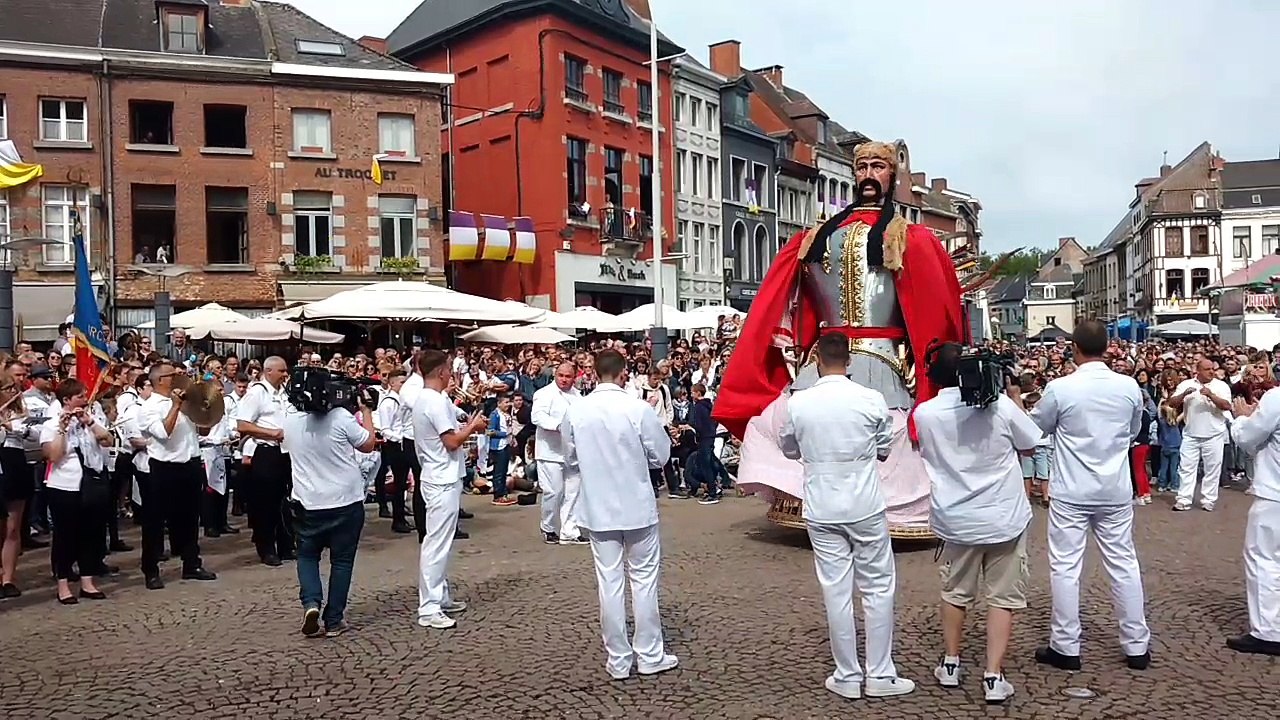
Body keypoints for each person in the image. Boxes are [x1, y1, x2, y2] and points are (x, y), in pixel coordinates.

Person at [713, 139, 966, 537]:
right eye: (862, 167)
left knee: (891, 429)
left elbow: (934, 306)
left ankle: (883, 510)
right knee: (775, 422)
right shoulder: (815, 238)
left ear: (891, 175)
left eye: (877, 167)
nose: (868, 175)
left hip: (884, 357)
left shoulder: (907, 238)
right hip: (824, 356)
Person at [778, 334, 915, 700]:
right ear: (849, 362)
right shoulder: (871, 399)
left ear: (817, 359)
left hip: (822, 501)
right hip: (863, 501)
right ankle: (880, 673)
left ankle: (847, 673)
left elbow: (788, 447)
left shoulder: (800, 402)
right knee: (877, 586)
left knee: (835, 589)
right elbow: (885, 448)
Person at [914, 343, 1042, 704]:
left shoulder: (926, 413)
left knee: (955, 591)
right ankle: (993, 674)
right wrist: (1013, 396)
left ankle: (951, 663)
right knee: (1002, 596)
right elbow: (1032, 444)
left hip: (956, 516)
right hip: (1002, 515)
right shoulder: (999, 406)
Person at [1021, 320, 1150, 671]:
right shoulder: (1127, 387)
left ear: (1074, 348)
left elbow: (1037, 428)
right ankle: (1137, 645)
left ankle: (1066, 645)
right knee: (1124, 563)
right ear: (1107, 347)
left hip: (1073, 488)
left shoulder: (1061, 388)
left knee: (1065, 567)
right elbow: (1134, 430)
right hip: (1114, 487)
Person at [562, 349, 678, 680]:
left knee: (609, 582)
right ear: (623, 372)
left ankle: (618, 659)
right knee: (643, 581)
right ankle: (649, 654)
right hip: (636, 504)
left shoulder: (578, 410)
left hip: (599, 507)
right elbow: (661, 454)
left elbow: (569, 456)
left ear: (593, 372)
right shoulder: (636, 408)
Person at [283, 369, 378, 638]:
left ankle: (311, 602)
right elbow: (368, 444)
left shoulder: (290, 420)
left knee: (307, 555)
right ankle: (334, 619)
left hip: (307, 502)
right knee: (342, 561)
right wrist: (367, 411)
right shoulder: (341, 418)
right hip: (345, 501)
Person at [412, 350, 487, 630]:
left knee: (440, 542)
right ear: (442, 372)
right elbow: (452, 441)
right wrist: (473, 427)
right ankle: (429, 606)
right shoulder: (433, 401)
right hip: (440, 478)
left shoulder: (430, 399)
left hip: (440, 475)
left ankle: (439, 597)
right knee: (436, 544)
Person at [39, 379, 113, 604]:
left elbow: (107, 440)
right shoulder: (51, 424)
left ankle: (87, 581)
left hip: (91, 484)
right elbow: (53, 455)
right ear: (67, 400)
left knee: (91, 533)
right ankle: (63, 583)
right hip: (64, 484)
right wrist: (62, 429)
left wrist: (89, 422)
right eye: (80, 396)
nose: (85, 400)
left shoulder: (89, 420)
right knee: (66, 536)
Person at [1224, 390, 1280, 655]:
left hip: (1275, 493)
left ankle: (1268, 631)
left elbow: (1247, 438)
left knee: (1263, 559)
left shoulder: (1277, 397)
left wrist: (1242, 418)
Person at [235, 356, 295, 566]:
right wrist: (271, 433)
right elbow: (242, 425)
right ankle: (266, 548)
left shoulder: (284, 393)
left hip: (286, 452)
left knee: (285, 501)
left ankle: (286, 545)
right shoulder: (257, 393)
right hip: (266, 451)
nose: (285, 374)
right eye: (282, 371)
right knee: (265, 503)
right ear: (269, 371)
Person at [1165, 358, 1232, 512]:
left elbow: (1227, 406)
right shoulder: (1186, 384)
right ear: (1198, 370)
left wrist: (1211, 395)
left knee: (1212, 469)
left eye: (1212, 369)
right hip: (1191, 434)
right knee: (1186, 468)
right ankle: (1183, 499)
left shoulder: (1220, 385)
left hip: (1214, 434)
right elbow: (1172, 402)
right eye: (1207, 369)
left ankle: (1208, 500)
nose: (1211, 372)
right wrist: (1183, 395)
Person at [532, 361, 586, 545]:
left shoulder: (578, 396)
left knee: (573, 493)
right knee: (553, 492)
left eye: (568, 376)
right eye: (561, 375)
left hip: (572, 452)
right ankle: (548, 527)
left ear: (574, 377)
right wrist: (556, 425)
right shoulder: (544, 394)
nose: (564, 379)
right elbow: (537, 416)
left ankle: (570, 530)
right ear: (555, 375)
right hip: (549, 452)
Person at [373, 369, 413, 533]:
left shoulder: (402, 400)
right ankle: (398, 520)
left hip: (404, 443)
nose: (404, 385)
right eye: (401, 382)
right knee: (399, 482)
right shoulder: (388, 402)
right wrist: (399, 437)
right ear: (392, 383)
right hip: (396, 446)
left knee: (403, 482)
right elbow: (385, 429)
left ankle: (401, 514)